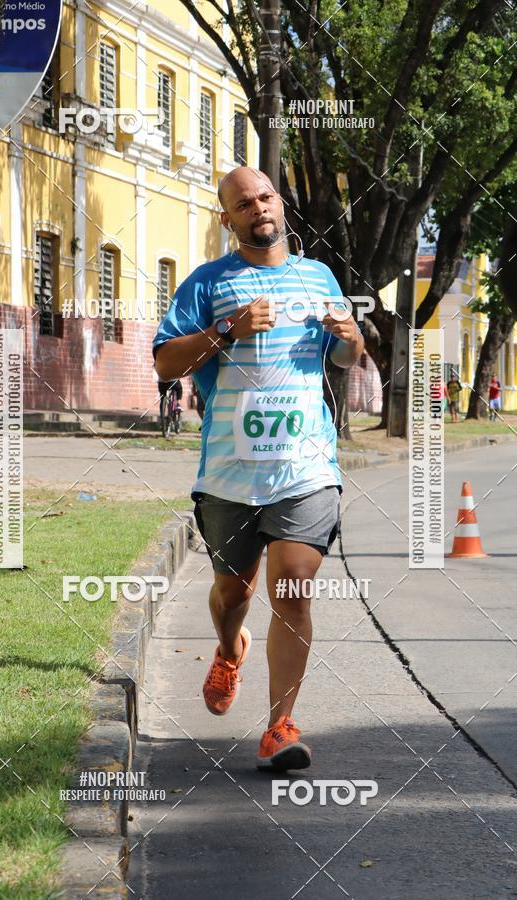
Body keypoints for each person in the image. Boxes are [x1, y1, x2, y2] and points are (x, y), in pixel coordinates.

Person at [152, 167, 364, 771]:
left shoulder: (319, 277)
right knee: (233, 592)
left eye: (266, 197)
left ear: (281, 206)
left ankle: (279, 727)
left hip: (306, 466)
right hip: (228, 473)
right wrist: (228, 328)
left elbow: (347, 357)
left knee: (292, 587)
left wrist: (350, 336)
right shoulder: (206, 283)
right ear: (229, 219)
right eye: (243, 203)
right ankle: (229, 646)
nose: (258, 208)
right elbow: (166, 362)